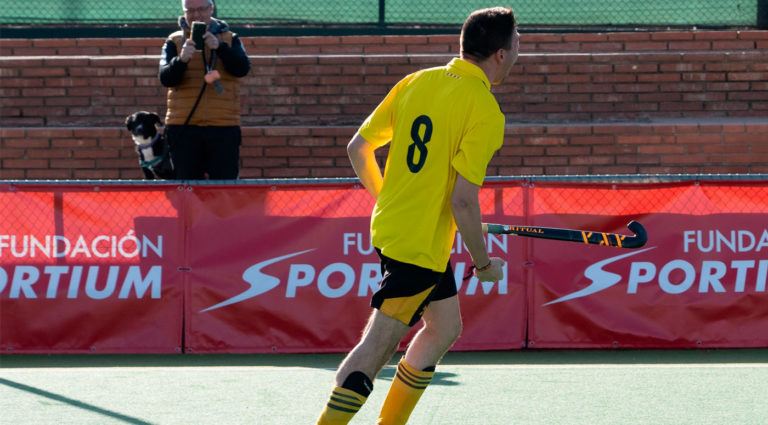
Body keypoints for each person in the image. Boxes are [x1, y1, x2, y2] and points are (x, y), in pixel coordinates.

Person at [316, 7, 519, 425]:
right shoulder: (484, 109)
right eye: (518, 44)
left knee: (444, 328)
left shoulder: (417, 81)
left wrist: (392, 199)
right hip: (419, 247)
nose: (519, 53)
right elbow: (463, 201)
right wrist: (482, 265)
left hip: (396, 228)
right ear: (500, 53)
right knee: (376, 348)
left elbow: (359, 148)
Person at [158, 0, 251, 179]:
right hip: (183, 126)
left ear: (211, 8)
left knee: (224, 189)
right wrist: (181, 60)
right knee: (186, 190)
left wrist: (220, 48)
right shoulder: (175, 40)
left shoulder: (230, 38)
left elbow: (242, 69)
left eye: (201, 9)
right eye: (190, 10)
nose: (196, 15)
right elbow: (166, 78)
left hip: (223, 126)